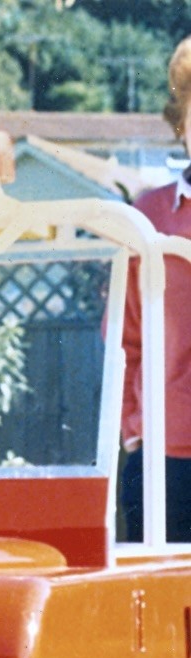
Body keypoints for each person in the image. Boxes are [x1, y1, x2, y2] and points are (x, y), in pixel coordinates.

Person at [120, 35, 191, 542]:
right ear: (181, 125)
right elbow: (125, 336)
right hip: (165, 454)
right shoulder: (147, 215)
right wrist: (133, 427)